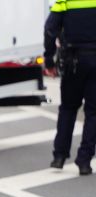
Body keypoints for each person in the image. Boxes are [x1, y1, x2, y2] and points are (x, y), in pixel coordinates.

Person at [44, 0, 96, 176]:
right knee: (93, 113)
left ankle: (59, 156)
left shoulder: (66, 0)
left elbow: (50, 28)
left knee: (68, 108)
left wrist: (49, 59)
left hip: (72, 61)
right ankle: (84, 161)